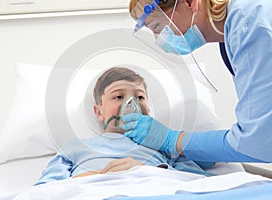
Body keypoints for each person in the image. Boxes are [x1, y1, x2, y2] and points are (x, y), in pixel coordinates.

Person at [124, 0, 272, 163]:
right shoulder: (231, 35)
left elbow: (256, 143)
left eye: (156, 27)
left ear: (189, 3)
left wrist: (171, 140)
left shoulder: (248, 23)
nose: (159, 39)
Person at [34, 67, 213, 185]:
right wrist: (102, 175)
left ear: (148, 109)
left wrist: (146, 171)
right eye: (118, 97)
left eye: (140, 97)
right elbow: (45, 189)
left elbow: (198, 183)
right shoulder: (75, 147)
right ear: (98, 112)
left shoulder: (164, 146)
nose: (131, 103)